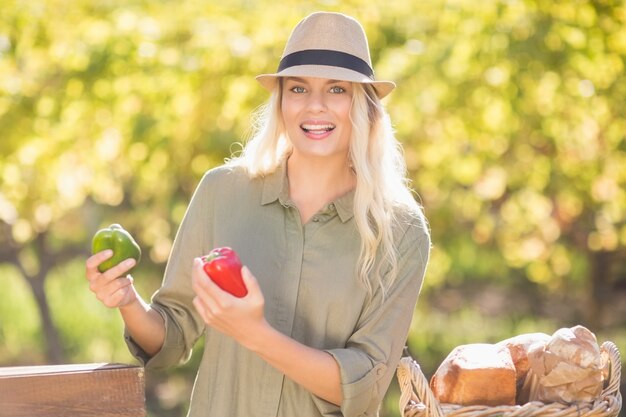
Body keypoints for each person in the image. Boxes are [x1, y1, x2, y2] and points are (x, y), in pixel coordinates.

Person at [86, 11, 430, 417]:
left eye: (337, 89)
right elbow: (172, 334)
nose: (315, 106)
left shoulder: (401, 230)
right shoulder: (223, 192)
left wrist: (254, 333)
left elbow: (364, 385)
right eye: (299, 89)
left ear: (365, 106)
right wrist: (127, 300)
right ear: (281, 101)